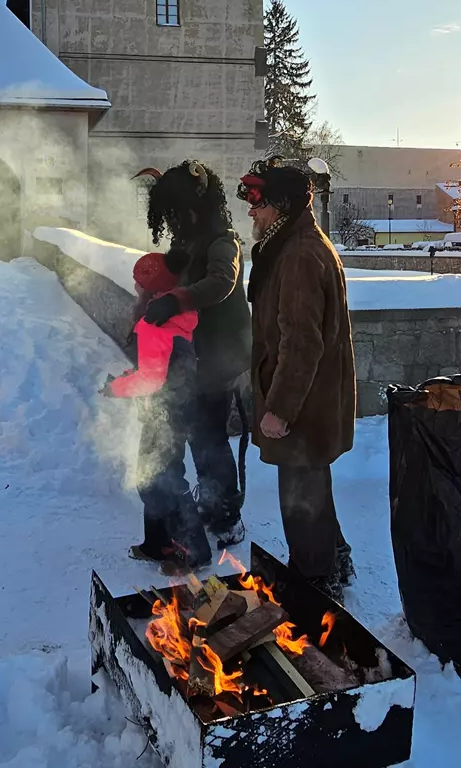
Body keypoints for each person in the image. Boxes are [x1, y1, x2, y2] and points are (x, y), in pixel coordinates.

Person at [237, 158, 357, 601]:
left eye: (258, 201)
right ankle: (335, 560)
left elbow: (302, 343)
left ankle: (315, 585)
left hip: (304, 407)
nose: (251, 210)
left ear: (282, 205)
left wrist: (279, 409)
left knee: (300, 498)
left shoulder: (300, 255)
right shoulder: (294, 244)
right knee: (311, 488)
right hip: (311, 401)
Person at [135, 161, 251, 549]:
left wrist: (176, 300)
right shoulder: (186, 242)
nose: (174, 219)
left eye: (178, 210)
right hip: (187, 358)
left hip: (217, 356)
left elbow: (221, 281)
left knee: (210, 440)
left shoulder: (223, 240)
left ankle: (227, 516)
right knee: (189, 435)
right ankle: (206, 506)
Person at [105, 251, 211, 574]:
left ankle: (195, 549)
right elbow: (159, 367)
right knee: (154, 477)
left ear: (151, 288)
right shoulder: (173, 312)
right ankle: (157, 544)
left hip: (164, 412)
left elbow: (151, 378)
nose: (134, 288)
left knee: (160, 479)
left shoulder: (154, 320)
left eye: (139, 283)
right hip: (176, 407)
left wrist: (116, 389)